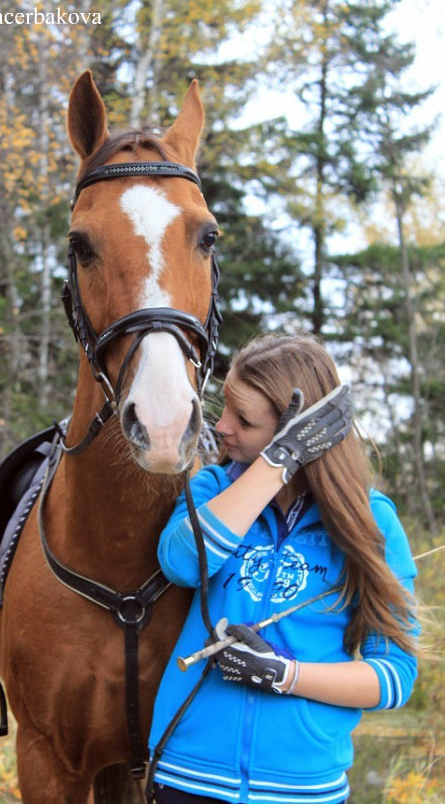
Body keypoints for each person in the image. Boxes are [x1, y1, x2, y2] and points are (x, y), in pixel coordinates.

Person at [147, 333, 418, 804]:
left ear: (298, 432)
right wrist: (278, 462)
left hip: (303, 789)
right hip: (186, 778)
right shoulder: (210, 489)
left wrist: (282, 674)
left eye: (244, 420)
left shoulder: (371, 521)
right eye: (225, 406)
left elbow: (393, 678)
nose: (222, 426)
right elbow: (184, 563)